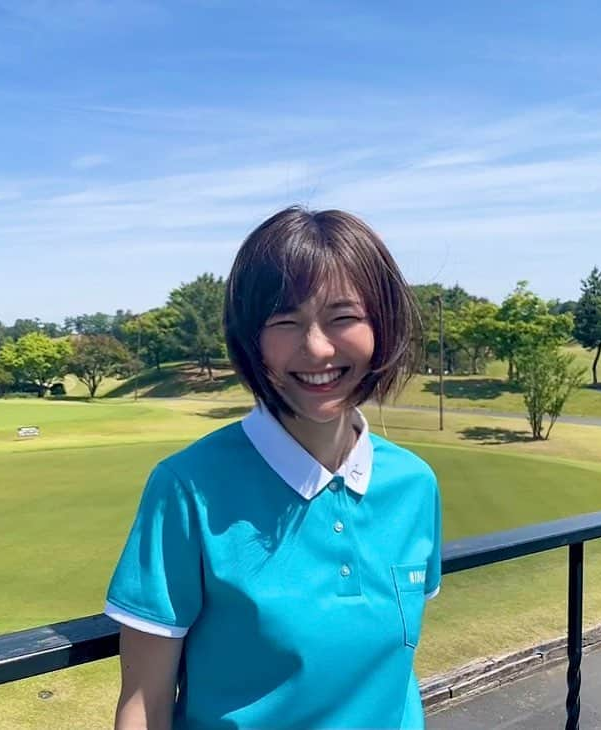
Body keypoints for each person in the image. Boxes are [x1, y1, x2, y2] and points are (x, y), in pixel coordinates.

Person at [105, 206, 443, 729]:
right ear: (250, 338)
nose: (317, 348)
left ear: (382, 324)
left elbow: (394, 671)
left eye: (344, 317)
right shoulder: (187, 489)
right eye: (284, 321)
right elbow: (145, 704)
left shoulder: (414, 484)